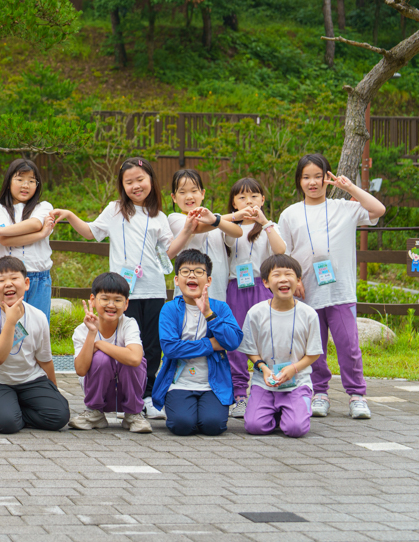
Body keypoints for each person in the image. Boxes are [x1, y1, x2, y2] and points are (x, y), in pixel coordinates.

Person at [55, 157, 185, 420]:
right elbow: (91, 232)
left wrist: (189, 229)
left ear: (151, 180)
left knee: (151, 346)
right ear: (122, 186)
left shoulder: (159, 216)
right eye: (129, 182)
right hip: (122, 294)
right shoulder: (115, 210)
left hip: (154, 289)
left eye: (140, 179)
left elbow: (169, 251)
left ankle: (146, 396)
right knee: (121, 342)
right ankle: (117, 395)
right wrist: (69, 215)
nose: (136, 186)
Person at [278, 153, 384, 421]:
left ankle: (357, 395)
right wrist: (294, 280)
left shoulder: (344, 208)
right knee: (314, 348)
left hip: (340, 292)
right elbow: (283, 253)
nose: (312, 182)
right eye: (306, 177)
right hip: (306, 293)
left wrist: (350, 187)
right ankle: (320, 393)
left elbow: (378, 210)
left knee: (349, 346)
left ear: (327, 178)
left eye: (318, 176)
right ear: (299, 180)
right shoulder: (290, 214)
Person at [0, 256, 70, 434]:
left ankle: (8, 408)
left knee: (59, 416)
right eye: (1, 280)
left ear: (26, 284)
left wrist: (54, 391)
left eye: (14, 278)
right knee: (7, 424)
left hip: (29, 378)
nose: (8, 284)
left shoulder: (38, 316)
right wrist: (10, 321)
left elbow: (44, 359)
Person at [151, 250, 243, 436]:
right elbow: (170, 348)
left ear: (208, 280)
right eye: (185, 271)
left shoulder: (220, 308)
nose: (192, 275)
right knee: (182, 425)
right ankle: (184, 410)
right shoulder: (169, 309)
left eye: (199, 272)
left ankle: (203, 411)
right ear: (177, 280)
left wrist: (209, 314)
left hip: (212, 385)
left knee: (213, 426)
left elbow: (233, 341)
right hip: (179, 383)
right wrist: (211, 344)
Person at [238, 255, 323, 438]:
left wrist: (294, 369)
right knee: (254, 426)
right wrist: (263, 368)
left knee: (295, 429)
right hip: (265, 382)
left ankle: (294, 408)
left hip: (297, 382)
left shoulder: (308, 314)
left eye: (289, 274)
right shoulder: (256, 312)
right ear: (266, 282)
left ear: (298, 280)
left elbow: (313, 353)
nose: (283, 279)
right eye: (276, 275)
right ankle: (277, 412)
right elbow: (250, 349)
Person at [223, 177, 286, 419]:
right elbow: (229, 237)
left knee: (268, 338)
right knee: (237, 340)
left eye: (254, 196)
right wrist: (237, 217)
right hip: (236, 287)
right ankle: (240, 394)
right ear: (233, 203)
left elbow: (280, 251)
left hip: (262, 286)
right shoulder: (231, 228)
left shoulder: (270, 226)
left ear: (263, 199)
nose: (249, 201)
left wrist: (264, 222)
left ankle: (271, 389)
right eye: (242, 197)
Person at [68, 272, 151, 433]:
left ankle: (133, 414)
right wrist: (92, 333)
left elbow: (135, 358)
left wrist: (99, 344)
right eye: (105, 299)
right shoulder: (82, 330)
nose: (111, 305)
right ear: (93, 300)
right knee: (100, 358)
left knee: (132, 360)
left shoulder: (129, 324)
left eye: (118, 300)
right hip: (100, 394)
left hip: (127, 393)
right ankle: (94, 413)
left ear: (126, 304)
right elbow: (80, 369)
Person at [0, 158, 56, 320]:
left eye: (31, 181)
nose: (25, 185)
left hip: (39, 277)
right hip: (7, 278)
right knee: (5, 326)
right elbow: (4, 240)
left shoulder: (44, 207)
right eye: (20, 179)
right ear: (8, 182)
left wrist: (0, 230)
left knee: (38, 326)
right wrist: (41, 235)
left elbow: (34, 224)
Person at [166, 168, 244, 302]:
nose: (189, 196)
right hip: (189, 292)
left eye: (194, 191)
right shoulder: (175, 218)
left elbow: (237, 232)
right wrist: (233, 216)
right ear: (174, 197)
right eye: (182, 192)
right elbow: (196, 226)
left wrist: (216, 220)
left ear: (202, 194)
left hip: (218, 291)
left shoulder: (216, 219)